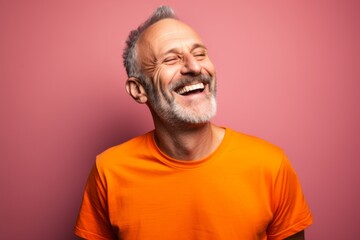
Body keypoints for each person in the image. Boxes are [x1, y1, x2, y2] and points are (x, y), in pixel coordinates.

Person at [75, 6, 312, 240]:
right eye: (171, 59)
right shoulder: (109, 171)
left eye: (199, 54)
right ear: (138, 90)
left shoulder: (271, 165)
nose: (195, 67)